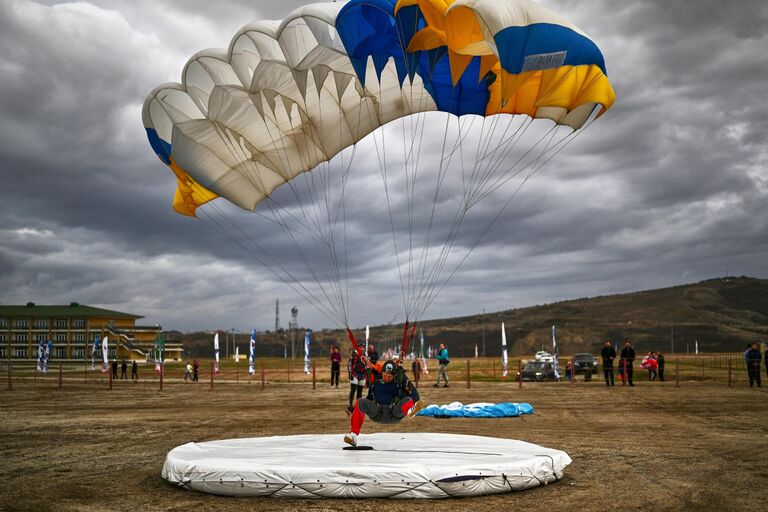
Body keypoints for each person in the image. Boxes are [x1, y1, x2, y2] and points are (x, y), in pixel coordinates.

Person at [344, 359, 425, 447]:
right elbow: (369, 399)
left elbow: (416, 397)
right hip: (378, 413)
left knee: (408, 399)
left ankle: (410, 411)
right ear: (382, 373)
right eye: (384, 375)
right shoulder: (376, 381)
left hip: (394, 413)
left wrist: (405, 383)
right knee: (361, 402)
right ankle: (353, 436)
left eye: (389, 377)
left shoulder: (400, 380)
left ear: (394, 375)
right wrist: (354, 409)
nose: (386, 378)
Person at [346, 347, 366, 415]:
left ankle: (358, 405)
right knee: (353, 389)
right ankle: (350, 405)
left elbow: (367, 365)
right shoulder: (353, 355)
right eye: (360, 347)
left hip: (362, 375)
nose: (361, 348)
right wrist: (350, 374)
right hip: (354, 374)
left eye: (362, 347)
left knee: (359, 392)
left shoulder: (365, 355)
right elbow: (349, 364)